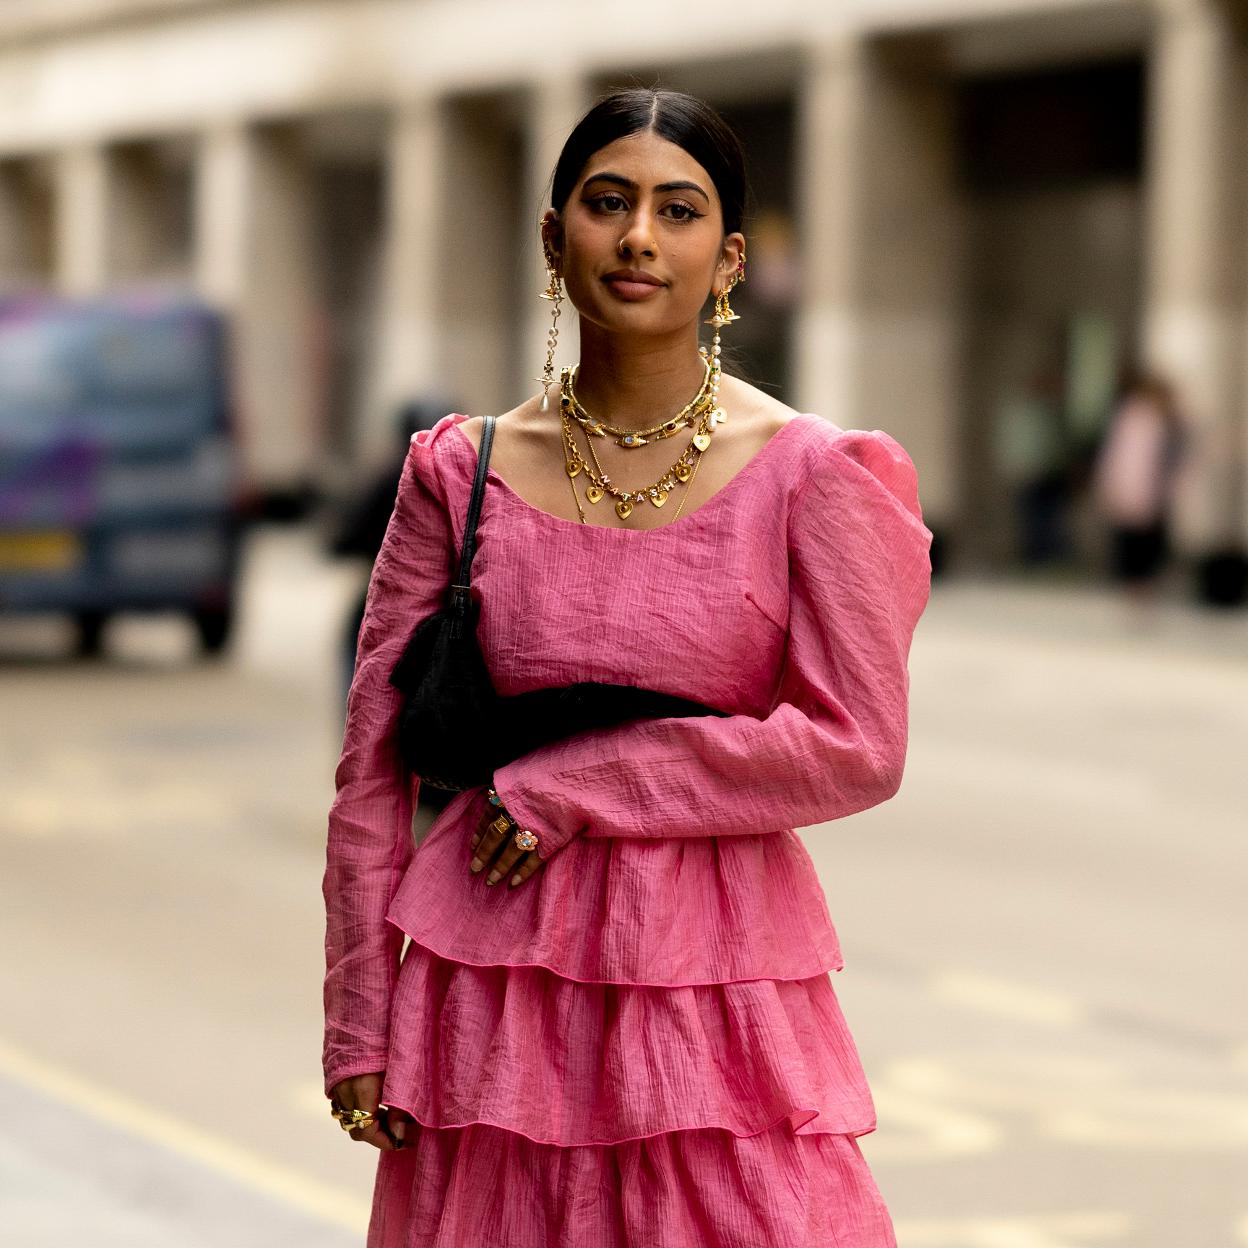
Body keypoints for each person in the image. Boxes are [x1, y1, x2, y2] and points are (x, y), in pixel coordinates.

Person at [322, 88, 933, 1247]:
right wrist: (361, 1015)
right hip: (488, 989)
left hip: (718, 993)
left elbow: (858, 746)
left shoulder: (815, 476)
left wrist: (577, 786)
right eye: (608, 204)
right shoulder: (459, 472)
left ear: (729, 257)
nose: (640, 236)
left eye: (678, 209)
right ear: (555, 239)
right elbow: (370, 776)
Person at [1091, 367, 1187, 611]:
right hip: (1133, 489)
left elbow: (1176, 458)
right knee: (1132, 542)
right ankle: (1134, 590)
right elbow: (1119, 456)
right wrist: (1112, 486)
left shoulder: (1170, 420)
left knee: (1153, 543)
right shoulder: (1133, 418)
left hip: (1158, 492)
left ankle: (1146, 587)